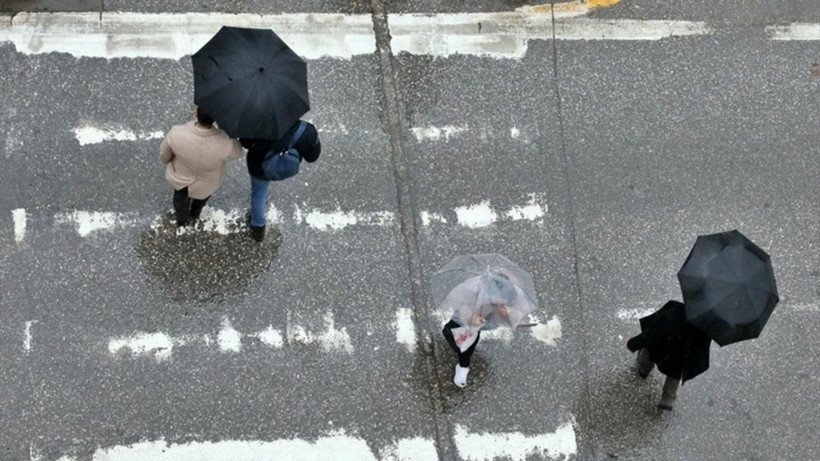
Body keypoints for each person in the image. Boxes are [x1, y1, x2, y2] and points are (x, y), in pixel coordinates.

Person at [159, 108, 244, 226]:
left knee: (180, 201)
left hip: (181, 178)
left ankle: (182, 221)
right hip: (208, 183)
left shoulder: (177, 133)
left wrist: (168, 162)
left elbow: (164, 154)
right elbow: (238, 152)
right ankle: (195, 214)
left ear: (196, 113)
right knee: (201, 199)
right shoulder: (226, 141)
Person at [240, 120, 321, 242]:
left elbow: (245, 143)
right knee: (260, 194)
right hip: (285, 165)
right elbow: (312, 157)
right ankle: (258, 228)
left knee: (258, 193)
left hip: (258, 166)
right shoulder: (307, 131)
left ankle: (258, 228)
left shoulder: (257, 124)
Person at [626, 300, 711, 411]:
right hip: (680, 357)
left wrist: (634, 343)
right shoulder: (705, 327)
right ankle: (667, 400)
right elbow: (701, 349)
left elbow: (651, 332)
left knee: (648, 353)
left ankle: (644, 371)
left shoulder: (673, 311)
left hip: (661, 348)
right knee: (674, 376)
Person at [441, 275, 519, 388]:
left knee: (467, 347)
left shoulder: (508, 295)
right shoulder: (473, 290)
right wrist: (472, 318)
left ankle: (463, 366)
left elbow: (511, 316)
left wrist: (507, 313)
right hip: (465, 318)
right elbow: (461, 306)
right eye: (499, 301)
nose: (501, 304)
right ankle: (461, 353)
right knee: (450, 332)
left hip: (478, 326)